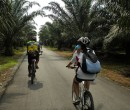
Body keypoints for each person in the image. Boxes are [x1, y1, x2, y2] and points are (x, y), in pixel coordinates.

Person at [66, 37, 94, 103]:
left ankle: (77, 98)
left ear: (79, 44)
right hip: (92, 73)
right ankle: (86, 93)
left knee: (75, 82)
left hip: (81, 73)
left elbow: (73, 61)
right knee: (88, 79)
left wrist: (68, 65)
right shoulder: (92, 51)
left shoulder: (77, 51)